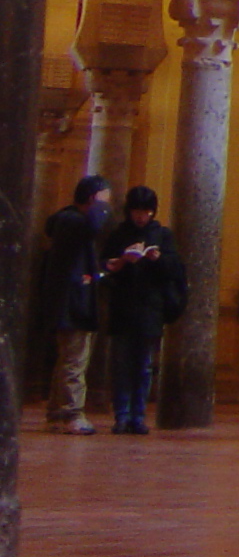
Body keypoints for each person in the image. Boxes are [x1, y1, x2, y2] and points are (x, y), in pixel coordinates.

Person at [98, 186, 186, 434]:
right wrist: (119, 263)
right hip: (123, 307)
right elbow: (105, 266)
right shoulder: (118, 234)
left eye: (146, 212)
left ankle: (138, 416)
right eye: (137, 211)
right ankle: (121, 415)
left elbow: (176, 270)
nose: (141, 217)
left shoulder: (162, 235)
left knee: (145, 365)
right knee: (121, 364)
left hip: (150, 308)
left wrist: (157, 260)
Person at [35, 176, 111, 434]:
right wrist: (101, 206)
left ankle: (57, 412)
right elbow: (93, 227)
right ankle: (71, 413)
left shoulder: (67, 222)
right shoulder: (73, 221)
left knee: (67, 359)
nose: (107, 205)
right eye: (103, 198)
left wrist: (101, 269)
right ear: (92, 197)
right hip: (72, 304)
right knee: (74, 361)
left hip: (70, 301)